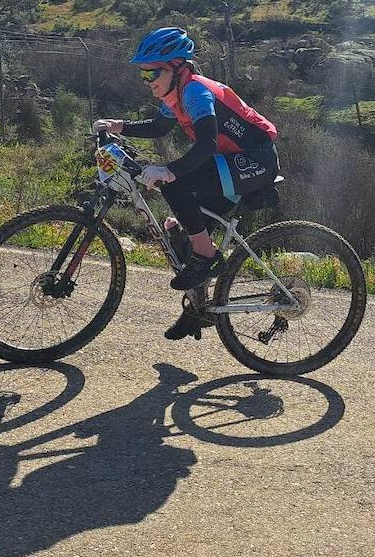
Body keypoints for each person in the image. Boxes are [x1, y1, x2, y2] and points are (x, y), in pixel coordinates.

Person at [93, 27, 280, 341]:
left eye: (152, 74)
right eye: (143, 76)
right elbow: (158, 126)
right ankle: (197, 311)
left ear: (177, 68)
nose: (148, 82)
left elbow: (206, 145)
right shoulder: (173, 93)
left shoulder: (194, 91)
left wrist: (169, 171)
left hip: (255, 160)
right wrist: (118, 126)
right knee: (183, 237)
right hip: (228, 161)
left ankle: (208, 257)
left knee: (175, 185)